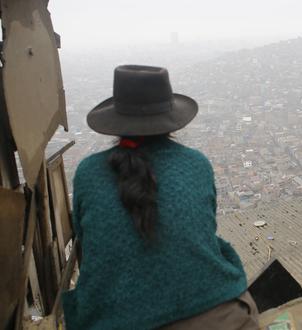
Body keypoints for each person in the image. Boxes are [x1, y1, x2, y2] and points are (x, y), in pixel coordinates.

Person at [62, 65, 259, 330]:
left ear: (116, 119)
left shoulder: (88, 173)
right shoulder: (195, 164)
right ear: (171, 118)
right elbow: (203, 232)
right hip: (217, 315)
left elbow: (90, 251)